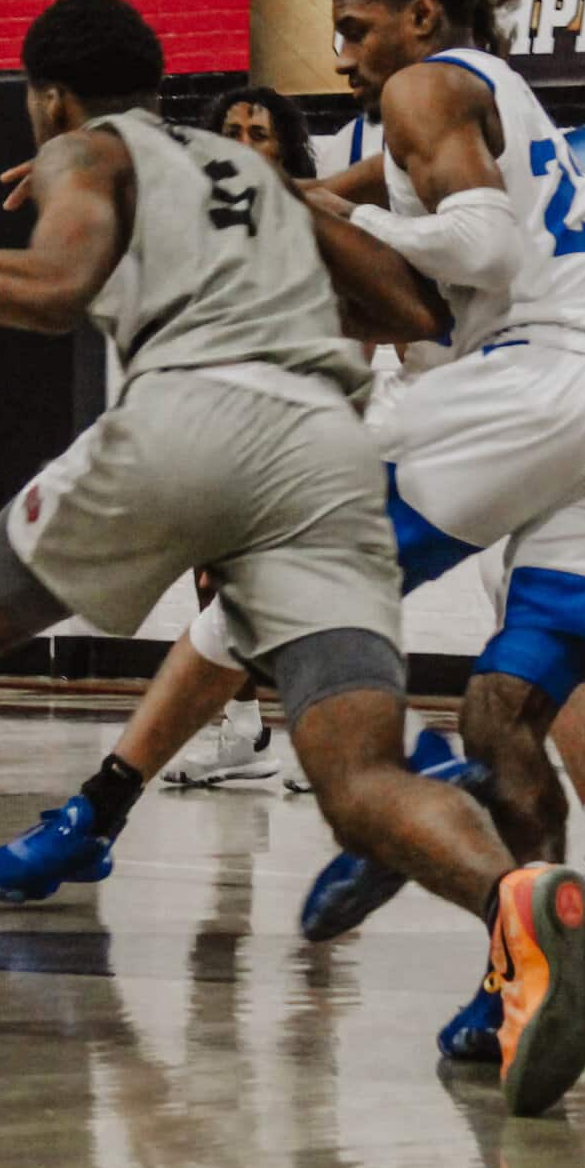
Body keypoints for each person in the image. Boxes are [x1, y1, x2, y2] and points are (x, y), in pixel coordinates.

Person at [0, 0, 585, 1118]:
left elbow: (53, 290)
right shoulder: (258, 178)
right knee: (360, 777)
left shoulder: (86, 145)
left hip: (186, 421)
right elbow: (406, 307)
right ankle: (516, 899)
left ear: (50, 96)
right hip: (322, 452)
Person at [0, 0, 585, 1064]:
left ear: (419, 15)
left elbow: (481, 252)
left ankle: (380, 800)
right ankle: (521, 955)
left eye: (354, 26)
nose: (344, 55)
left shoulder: (421, 85)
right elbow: (303, 193)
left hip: (534, 380)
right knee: (507, 716)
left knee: (268, 585)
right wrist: (125, 157)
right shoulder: (489, 99)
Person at [161, 86, 324, 787]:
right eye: (232, 131)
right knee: (214, 579)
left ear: (284, 148)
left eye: (260, 133)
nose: (245, 142)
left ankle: (332, 739)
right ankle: (245, 731)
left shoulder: (310, 214)